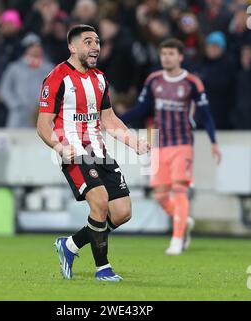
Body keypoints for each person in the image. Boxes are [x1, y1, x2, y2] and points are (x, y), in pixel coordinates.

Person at [36, 24, 150, 281]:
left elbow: (109, 120)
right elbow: (43, 124)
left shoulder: (99, 79)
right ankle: (103, 269)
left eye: (97, 42)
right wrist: (59, 147)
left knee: (122, 212)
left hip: (100, 152)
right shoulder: (57, 78)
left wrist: (133, 142)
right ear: (72, 47)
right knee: (99, 202)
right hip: (74, 152)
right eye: (88, 42)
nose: (95, 47)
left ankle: (70, 246)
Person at [120, 38, 222, 255]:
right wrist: (116, 119)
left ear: (180, 57)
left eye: (171, 53)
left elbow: (206, 115)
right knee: (160, 196)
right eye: (164, 53)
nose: (167, 57)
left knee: (179, 190)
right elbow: (142, 109)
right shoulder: (154, 80)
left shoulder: (192, 82)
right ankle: (183, 221)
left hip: (183, 143)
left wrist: (214, 142)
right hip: (159, 144)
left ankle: (177, 240)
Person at [0, 33, 53, 128]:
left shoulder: (50, 68)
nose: (36, 49)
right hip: (19, 114)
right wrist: (15, 105)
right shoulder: (15, 68)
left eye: (38, 46)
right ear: (26, 49)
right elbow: (4, 89)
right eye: (32, 46)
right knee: (16, 140)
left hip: (42, 113)